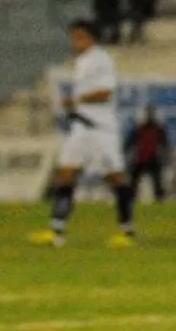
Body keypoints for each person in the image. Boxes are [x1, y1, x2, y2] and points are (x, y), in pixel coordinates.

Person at [29, 19, 135, 248]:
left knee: (116, 178)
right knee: (65, 175)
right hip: (81, 128)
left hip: (101, 130)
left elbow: (106, 92)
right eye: (73, 37)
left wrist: (76, 100)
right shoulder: (82, 61)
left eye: (78, 37)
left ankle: (127, 232)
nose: (74, 42)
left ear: (89, 37)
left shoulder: (101, 59)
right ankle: (56, 232)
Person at [125, 104, 170, 203]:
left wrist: (166, 156)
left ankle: (159, 200)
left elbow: (165, 144)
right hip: (140, 158)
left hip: (153, 158)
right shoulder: (139, 128)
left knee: (157, 181)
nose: (150, 115)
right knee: (134, 181)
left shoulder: (158, 128)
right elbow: (129, 142)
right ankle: (131, 199)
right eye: (148, 113)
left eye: (151, 113)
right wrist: (127, 152)